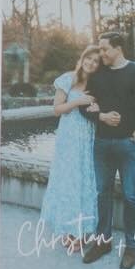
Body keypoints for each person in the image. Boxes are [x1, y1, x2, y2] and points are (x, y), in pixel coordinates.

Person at [79, 31, 135, 269]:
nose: (101, 53)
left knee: (131, 196)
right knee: (103, 193)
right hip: (102, 144)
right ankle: (103, 242)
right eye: (100, 49)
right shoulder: (98, 75)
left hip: (128, 145)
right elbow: (83, 106)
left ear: (118, 48)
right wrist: (101, 116)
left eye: (105, 49)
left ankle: (131, 247)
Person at [39, 43, 102, 252]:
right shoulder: (67, 79)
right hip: (68, 138)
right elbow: (57, 109)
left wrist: (97, 107)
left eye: (96, 61)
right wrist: (78, 101)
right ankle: (68, 229)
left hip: (87, 137)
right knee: (68, 181)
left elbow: (100, 108)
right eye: (89, 58)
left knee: (84, 181)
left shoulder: (96, 83)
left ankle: (82, 232)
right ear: (82, 58)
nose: (91, 63)